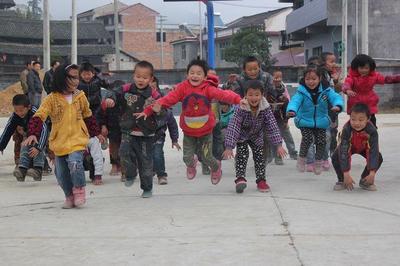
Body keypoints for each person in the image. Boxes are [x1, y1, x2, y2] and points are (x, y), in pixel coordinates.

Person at [139, 59, 245, 185]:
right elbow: (167, 99)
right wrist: (148, 111)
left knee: (206, 157)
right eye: (192, 73)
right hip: (189, 132)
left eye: (199, 73)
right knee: (187, 158)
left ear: (205, 77)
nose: (195, 76)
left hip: (206, 132)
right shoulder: (182, 88)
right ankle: (192, 163)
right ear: (187, 74)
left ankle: (216, 168)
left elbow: (224, 95)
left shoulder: (208, 88)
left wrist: (238, 100)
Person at [24, 63, 104, 209]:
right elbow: (39, 116)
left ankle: (79, 190)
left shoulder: (80, 96)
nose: (76, 81)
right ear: (61, 79)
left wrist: (96, 132)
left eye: (76, 77)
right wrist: (33, 133)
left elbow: (88, 115)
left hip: (78, 138)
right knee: (60, 173)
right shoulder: (51, 99)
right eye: (72, 78)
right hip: (59, 142)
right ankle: (69, 195)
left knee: (75, 163)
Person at [105, 61, 163, 198]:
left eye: (144, 77)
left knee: (145, 162)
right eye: (138, 76)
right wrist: (110, 99)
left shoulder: (154, 95)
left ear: (151, 79)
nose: (140, 80)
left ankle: (147, 188)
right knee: (123, 152)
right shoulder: (126, 89)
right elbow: (113, 92)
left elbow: (164, 111)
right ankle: (130, 173)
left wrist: (159, 110)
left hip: (146, 134)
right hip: (128, 130)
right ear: (133, 76)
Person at [223, 80, 287, 193]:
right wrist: (229, 146)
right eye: (250, 95)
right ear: (245, 95)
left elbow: (272, 126)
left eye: (257, 95)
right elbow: (234, 127)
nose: (253, 98)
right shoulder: (241, 108)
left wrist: (278, 144)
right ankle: (240, 178)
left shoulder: (265, 108)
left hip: (257, 135)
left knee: (260, 156)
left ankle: (261, 180)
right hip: (242, 135)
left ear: (262, 95)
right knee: (242, 154)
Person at [287, 65, 344, 175]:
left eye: (314, 79)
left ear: (320, 78)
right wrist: (292, 110)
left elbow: (336, 97)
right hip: (305, 121)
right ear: (304, 79)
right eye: (308, 79)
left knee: (321, 141)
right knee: (307, 139)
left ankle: (318, 162)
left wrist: (337, 105)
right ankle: (302, 159)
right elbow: (295, 101)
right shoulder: (301, 92)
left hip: (321, 121)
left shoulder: (326, 91)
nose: (311, 82)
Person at [331, 103, 383, 191]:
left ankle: (365, 181)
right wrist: (346, 173)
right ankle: (342, 180)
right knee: (336, 156)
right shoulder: (346, 129)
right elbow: (344, 151)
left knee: (378, 157)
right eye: (353, 119)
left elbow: (373, 151)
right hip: (349, 147)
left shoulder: (372, 131)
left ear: (368, 119)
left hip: (364, 147)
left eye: (361, 119)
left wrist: (372, 172)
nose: (356, 123)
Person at [343, 54, 400, 127]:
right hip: (356, 106)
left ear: (370, 68)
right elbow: (347, 83)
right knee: (355, 125)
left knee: (372, 126)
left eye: (366, 68)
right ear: (356, 67)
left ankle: (372, 137)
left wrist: (398, 78)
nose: (364, 70)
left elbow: (386, 79)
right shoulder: (352, 77)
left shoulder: (374, 76)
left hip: (369, 105)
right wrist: (347, 90)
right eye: (361, 68)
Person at [0, 94, 48, 181]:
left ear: (28, 107)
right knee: (24, 145)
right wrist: (1, 145)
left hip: (43, 135)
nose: (19, 113)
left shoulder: (36, 113)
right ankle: (22, 169)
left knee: (36, 147)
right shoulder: (15, 116)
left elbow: (45, 130)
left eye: (21, 110)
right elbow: (8, 129)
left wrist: (39, 147)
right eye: (16, 110)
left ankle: (38, 169)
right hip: (29, 134)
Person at [78, 62, 108, 185]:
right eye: (84, 74)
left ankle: (96, 175)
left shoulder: (97, 81)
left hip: (95, 108)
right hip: (81, 112)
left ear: (93, 73)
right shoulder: (78, 84)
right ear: (80, 75)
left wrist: (100, 76)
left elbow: (107, 84)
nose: (87, 76)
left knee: (95, 152)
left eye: (89, 74)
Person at [266, 70, 298, 165]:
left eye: (279, 78)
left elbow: (286, 107)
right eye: (275, 77)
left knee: (286, 135)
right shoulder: (267, 91)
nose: (277, 80)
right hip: (269, 119)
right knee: (271, 138)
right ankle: (273, 156)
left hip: (280, 118)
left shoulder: (284, 92)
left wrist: (286, 120)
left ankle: (292, 153)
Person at [153, 108, 181, 185]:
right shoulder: (142, 108)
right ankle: (151, 169)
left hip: (159, 135)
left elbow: (173, 126)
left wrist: (174, 140)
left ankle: (161, 175)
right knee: (146, 155)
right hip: (144, 136)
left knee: (157, 154)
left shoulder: (167, 113)